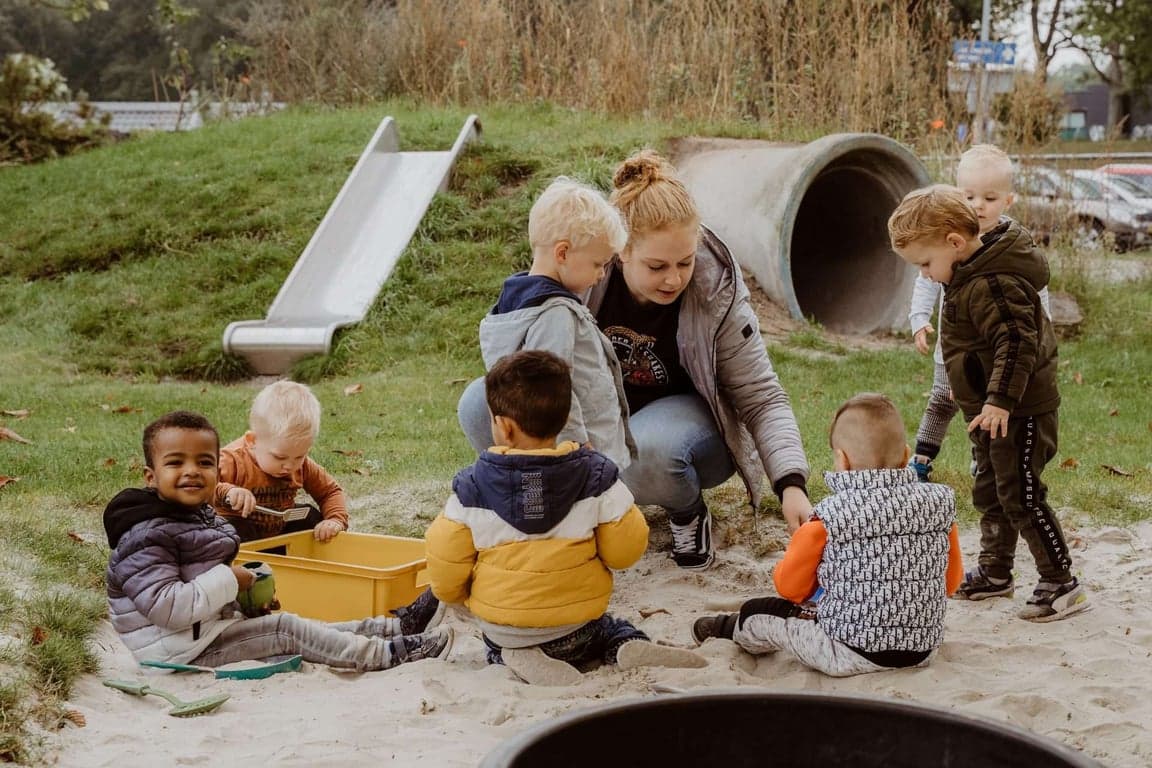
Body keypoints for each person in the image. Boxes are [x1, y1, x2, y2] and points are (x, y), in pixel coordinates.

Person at [459, 150, 812, 569]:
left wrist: (790, 484)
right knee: (479, 404)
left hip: (682, 428)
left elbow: (761, 396)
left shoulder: (717, 295)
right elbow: (529, 375)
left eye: (685, 262)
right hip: (599, 418)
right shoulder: (580, 272)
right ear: (619, 253)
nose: (674, 278)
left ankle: (686, 511)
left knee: (651, 448)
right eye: (657, 265)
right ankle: (543, 504)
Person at [427, 350, 706, 685]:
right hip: (578, 628)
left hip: (508, 630)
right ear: (561, 419)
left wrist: (459, 594)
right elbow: (625, 552)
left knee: (497, 643)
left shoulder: (471, 489)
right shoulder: (595, 476)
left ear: (504, 426)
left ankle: (515, 656)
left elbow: (444, 565)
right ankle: (626, 645)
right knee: (612, 630)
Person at [104, 410, 451, 672]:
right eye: (175, 462)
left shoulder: (190, 516)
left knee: (297, 623)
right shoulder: (145, 536)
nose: (192, 470)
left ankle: (394, 627)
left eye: (205, 462)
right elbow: (170, 608)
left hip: (201, 632)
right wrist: (231, 580)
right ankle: (387, 654)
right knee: (285, 630)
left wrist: (243, 601)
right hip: (176, 651)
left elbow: (196, 586)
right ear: (151, 477)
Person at [889, 184, 1089, 622]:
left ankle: (1061, 582)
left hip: (1019, 410)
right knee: (990, 488)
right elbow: (971, 344)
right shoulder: (964, 274)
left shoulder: (993, 280)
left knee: (1022, 493)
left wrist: (999, 399)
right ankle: (997, 572)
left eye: (925, 263)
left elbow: (1016, 343)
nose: (923, 274)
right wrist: (970, 390)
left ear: (955, 243)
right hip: (987, 411)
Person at [691, 393, 962, 677]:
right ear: (906, 455)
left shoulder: (829, 515)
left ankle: (729, 628)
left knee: (763, 612)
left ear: (842, 460)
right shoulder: (939, 504)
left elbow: (790, 589)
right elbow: (951, 582)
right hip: (922, 650)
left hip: (846, 650)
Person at [907, 144, 1051, 482]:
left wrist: (1042, 323)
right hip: (953, 345)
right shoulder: (949, 238)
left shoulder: (1013, 246)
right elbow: (925, 278)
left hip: (994, 350)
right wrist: (918, 319)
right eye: (969, 196)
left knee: (986, 406)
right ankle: (922, 459)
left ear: (1008, 201)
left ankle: (983, 458)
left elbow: (1036, 284)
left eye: (989, 198)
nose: (978, 206)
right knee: (942, 399)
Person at [476, 175, 634, 468]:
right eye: (598, 264)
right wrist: (573, 445)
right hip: (584, 451)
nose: (601, 275)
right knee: (600, 510)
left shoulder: (513, 306)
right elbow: (553, 388)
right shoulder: (554, 313)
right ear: (562, 253)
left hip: (550, 448)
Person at [213, 380, 348, 543]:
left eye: (299, 456)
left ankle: (298, 561)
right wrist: (227, 491)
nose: (290, 466)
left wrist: (334, 520)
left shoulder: (302, 466)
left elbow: (330, 491)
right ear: (252, 441)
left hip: (278, 531)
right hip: (236, 540)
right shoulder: (231, 460)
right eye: (280, 457)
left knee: (310, 517)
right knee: (233, 527)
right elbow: (197, 488)